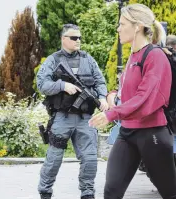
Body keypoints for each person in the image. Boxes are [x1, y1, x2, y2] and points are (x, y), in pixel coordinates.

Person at [89, 4, 176, 199]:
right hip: (127, 132)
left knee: (172, 195)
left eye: (122, 24)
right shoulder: (133, 56)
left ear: (136, 27)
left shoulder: (155, 56)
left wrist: (112, 113)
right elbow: (128, 91)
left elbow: (144, 98)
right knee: (111, 191)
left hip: (152, 134)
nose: (118, 28)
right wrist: (113, 96)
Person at [36, 24, 108, 199]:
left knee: (90, 158)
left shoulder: (88, 59)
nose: (78, 41)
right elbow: (42, 85)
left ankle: (88, 193)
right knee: (54, 159)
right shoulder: (53, 60)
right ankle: (45, 191)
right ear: (64, 39)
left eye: (80, 38)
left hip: (85, 118)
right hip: (62, 118)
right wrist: (62, 85)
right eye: (74, 38)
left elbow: (100, 81)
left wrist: (103, 97)